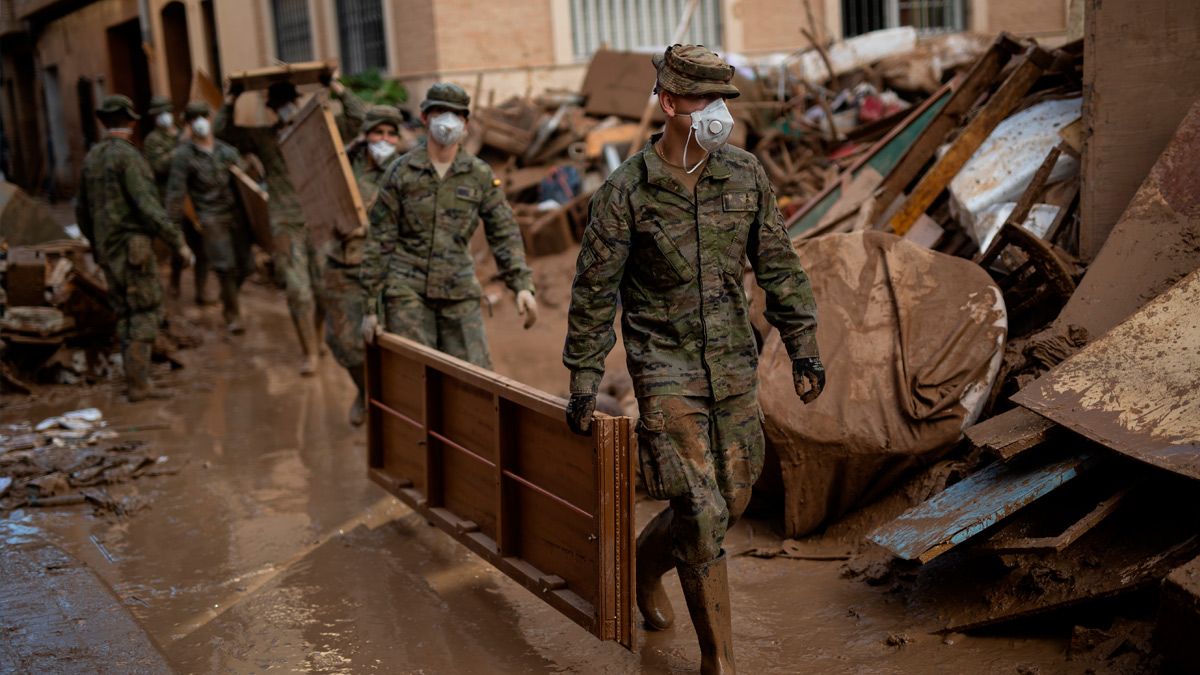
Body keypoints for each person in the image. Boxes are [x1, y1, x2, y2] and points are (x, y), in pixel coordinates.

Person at [560, 45, 826, 675]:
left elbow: (779, 266)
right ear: (670, 102)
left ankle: (642, 569)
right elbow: (594, 293)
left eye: (723, 101)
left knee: (730, 499)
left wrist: (803, 347)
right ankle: (720, 662)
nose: (718, 113)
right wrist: (584, 377)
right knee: (702, 511)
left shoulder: (745, 175)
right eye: (704, 100)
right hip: (664, 368)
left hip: (733, 360)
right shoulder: (625, 193)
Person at [360, 83, 538, 367]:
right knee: (414, 376)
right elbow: (380, 239)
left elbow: (504, 230)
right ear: (425, 117)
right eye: (440, 112)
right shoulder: (401, 173)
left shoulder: (479, 174)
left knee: (476, 377)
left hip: (459, 290)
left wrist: (521, 285)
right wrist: (370, 305)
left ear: (466, 123)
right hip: (407, 291)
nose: (447, 121)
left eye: (456, 114)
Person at [215, 75, 365, 375]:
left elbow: (357, 117)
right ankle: (308, 352)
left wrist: (334, 85)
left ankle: (319, 338)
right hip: (286, 223)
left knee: (323, 289)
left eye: (288, 103)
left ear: (297, 103)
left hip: (321, 220)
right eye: (279, 105)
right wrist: (232, 98)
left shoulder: (318, 131)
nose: (284, 109)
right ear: (272, 108)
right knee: (298, 291)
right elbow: (223, 131)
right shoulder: (264, 137)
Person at [76, 95, 195, 402]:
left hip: (107, 251)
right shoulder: (130, 158)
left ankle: (136, 380)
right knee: (145, 311)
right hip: (134, 251)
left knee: (124, 314)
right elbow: (148, 207)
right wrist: (177, 241)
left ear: (103, 122)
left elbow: (82, 212)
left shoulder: (92, 158)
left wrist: (96, 244)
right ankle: (139, 385)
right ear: (131, 122)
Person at [325, 105, 403, 425]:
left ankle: (391, 405)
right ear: (366, 134)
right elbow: (318, 204)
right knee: (346, 345)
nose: (384, 139)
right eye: (377, 133)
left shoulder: (405, 169)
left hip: (391, 267)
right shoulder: (343, 166)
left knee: (394, 342)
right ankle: (365, 389)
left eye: (390, 134)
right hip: (345, 265)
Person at [166, 101, 256, 334]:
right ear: (187, 124)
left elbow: (246, 186)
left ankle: (228, 296)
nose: (199, 122)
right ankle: (232, 315)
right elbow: (176, 195)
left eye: (203, 116)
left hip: (236, 216)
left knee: (247, 265)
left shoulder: (227, 151)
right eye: (193, 118)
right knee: (224, 267)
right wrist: (174, 234)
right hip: (211, 217)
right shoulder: (183, 156)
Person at [143, 94, 210, 304]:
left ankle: (201, 290)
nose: (164, 116)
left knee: (201, 245)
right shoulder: (153, 140)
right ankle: (175, 281)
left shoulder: (184, 133)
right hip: (172, 199)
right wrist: (181, 148)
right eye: (159, 113)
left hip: (194, 198)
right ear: (154, 117)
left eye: (166, 112)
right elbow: (160, 166)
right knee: (177, 245)